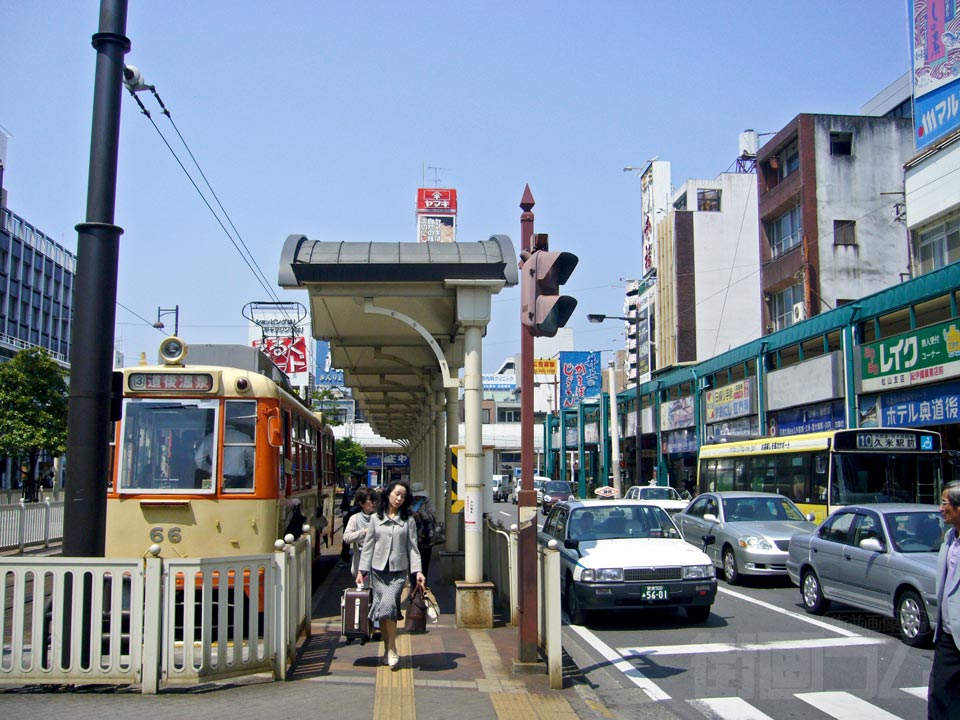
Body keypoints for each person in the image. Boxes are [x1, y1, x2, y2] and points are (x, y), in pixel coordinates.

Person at [356, 480, 424, 669]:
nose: (399, 499)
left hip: (398, 573)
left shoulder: (408, 520)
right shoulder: (375, 519)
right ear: (388, 495)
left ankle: (392, 649)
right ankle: (388, 650)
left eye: (402, 496)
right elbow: (368, 547)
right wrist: (362, 571)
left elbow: (413, 548)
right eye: (396, 494)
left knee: (387, 607)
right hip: (377, 572)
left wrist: (417, 572)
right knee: (387, 613)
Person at [929, 481, 960, 719]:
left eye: (944, 503)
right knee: (940, 697)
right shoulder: (949, 538)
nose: (940, 508)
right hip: (948, 636)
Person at [410, 483, 437, 580]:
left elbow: (433, 517)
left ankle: (423, 586)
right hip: (412, 538)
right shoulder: (408, 503)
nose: (417, 497)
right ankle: (414, 586)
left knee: (424, 563)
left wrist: (422, 514)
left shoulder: (427, 503)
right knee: (412, 565)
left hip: (425, 537)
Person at [339, 473, 363, 567]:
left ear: (357, 479)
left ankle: (359, 559)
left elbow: (358, 506)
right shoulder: (348, 488)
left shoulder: (360, 490)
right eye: (350, 477)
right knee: (346, 537)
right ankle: (345, 557)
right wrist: (341, 509)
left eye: (352, 478)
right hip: (347, 518)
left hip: (357, 517)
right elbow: (344, 501)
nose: (350, 479)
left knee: (358, 538)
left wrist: (348, 512)